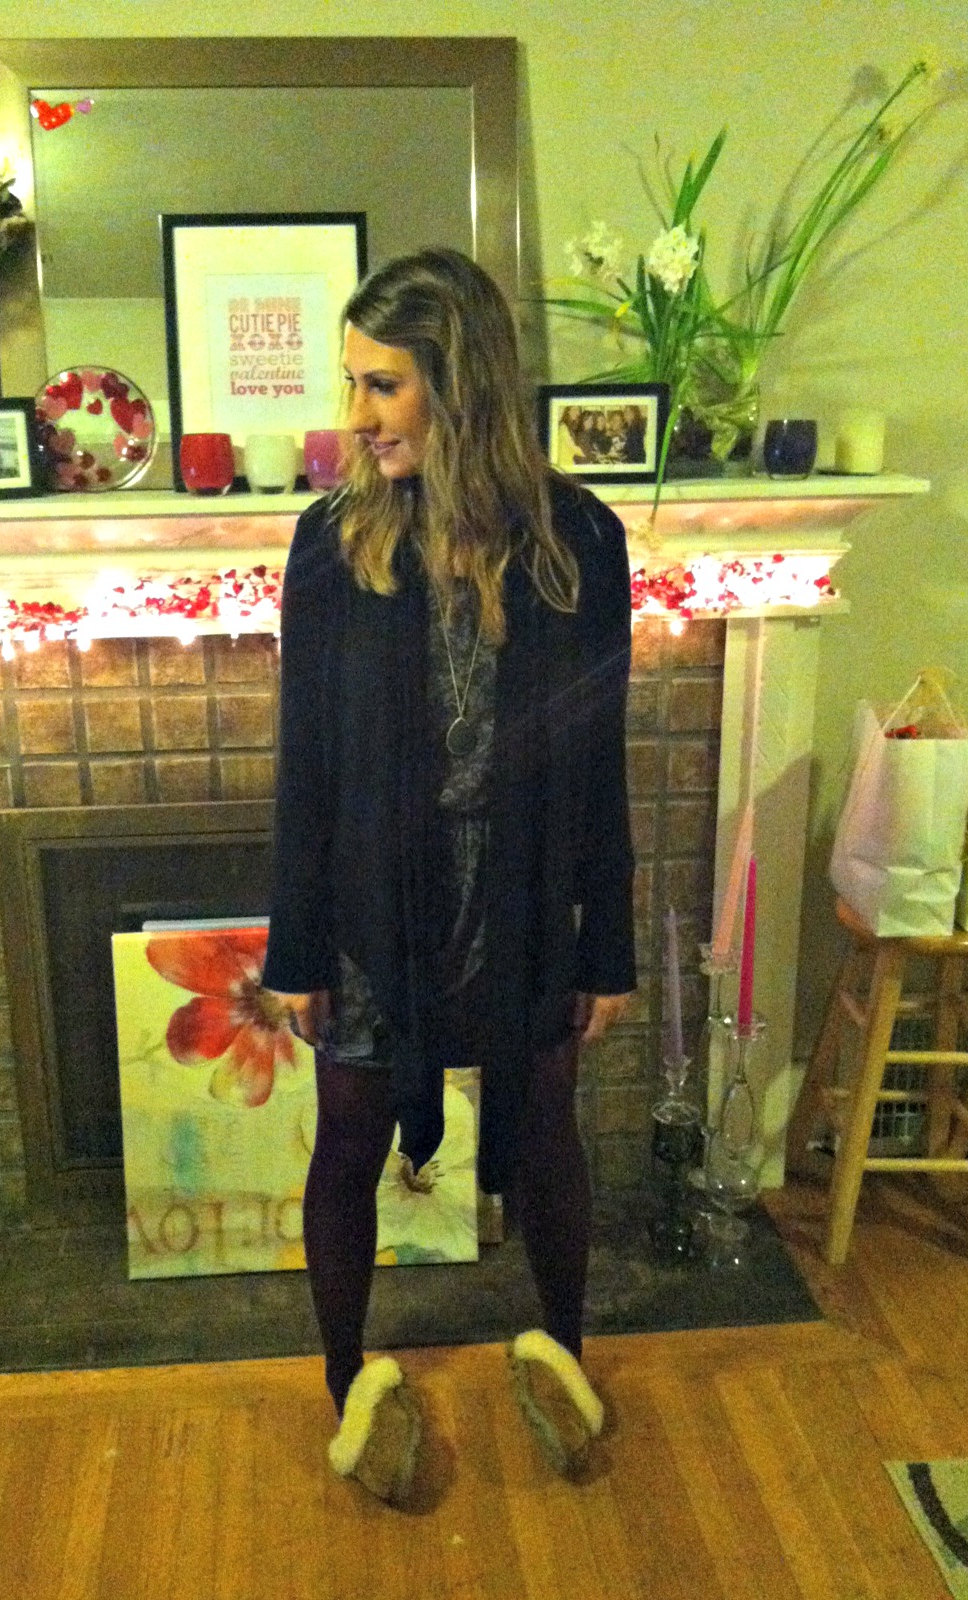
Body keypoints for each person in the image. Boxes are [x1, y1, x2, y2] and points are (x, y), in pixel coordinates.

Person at [263, 247, 636, 1505]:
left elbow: (598, 759)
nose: (357, 417)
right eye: (352, 384)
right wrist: (297, 950)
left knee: (545, 1129)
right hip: (375, 903)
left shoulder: (578, 540)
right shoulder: (332, 544)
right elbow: (306, 767)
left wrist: (605, 943)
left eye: (384, 386)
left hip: (523, 896)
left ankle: (563, 1355)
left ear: (459, 385)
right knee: (349, 1137)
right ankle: (347, 1385)